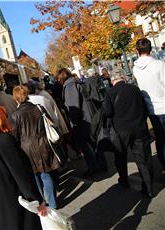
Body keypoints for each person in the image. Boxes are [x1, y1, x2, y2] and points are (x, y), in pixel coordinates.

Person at [103, 69, 154, 197]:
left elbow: (108, 112)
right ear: (123, 78)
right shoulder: (135, 89)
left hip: (121, 130)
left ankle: (124, 180)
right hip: (139, 127)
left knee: (120, 157)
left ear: (113, 80)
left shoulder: (110, 92)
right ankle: (148, 187)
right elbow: (144, 107)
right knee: (142, 158)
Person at [10, 85, 60, 209]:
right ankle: (53, 205)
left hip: (26, 149)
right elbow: (50, 123)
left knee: (35, 178)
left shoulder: (15, 115)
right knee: (46, 175)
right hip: (43, 145)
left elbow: (14, 136)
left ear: (16, 98)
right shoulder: (39, 108)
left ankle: (41, 203)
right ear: (27, 95)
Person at [57, 68, 105, 176]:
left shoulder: (69, 86)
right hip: (88, 116)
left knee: (85, 144)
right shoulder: (77, 82)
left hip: (81, 120)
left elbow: (73, 107)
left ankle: (93, 167)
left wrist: (74, 123)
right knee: (93, 142)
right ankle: (101, 164)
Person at [133, 38, 165, 174]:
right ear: (150, 49)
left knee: (160, 139)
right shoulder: (159, 64)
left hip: (151, 109)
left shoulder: (135, 68)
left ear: (137, 50)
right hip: (163, 105)